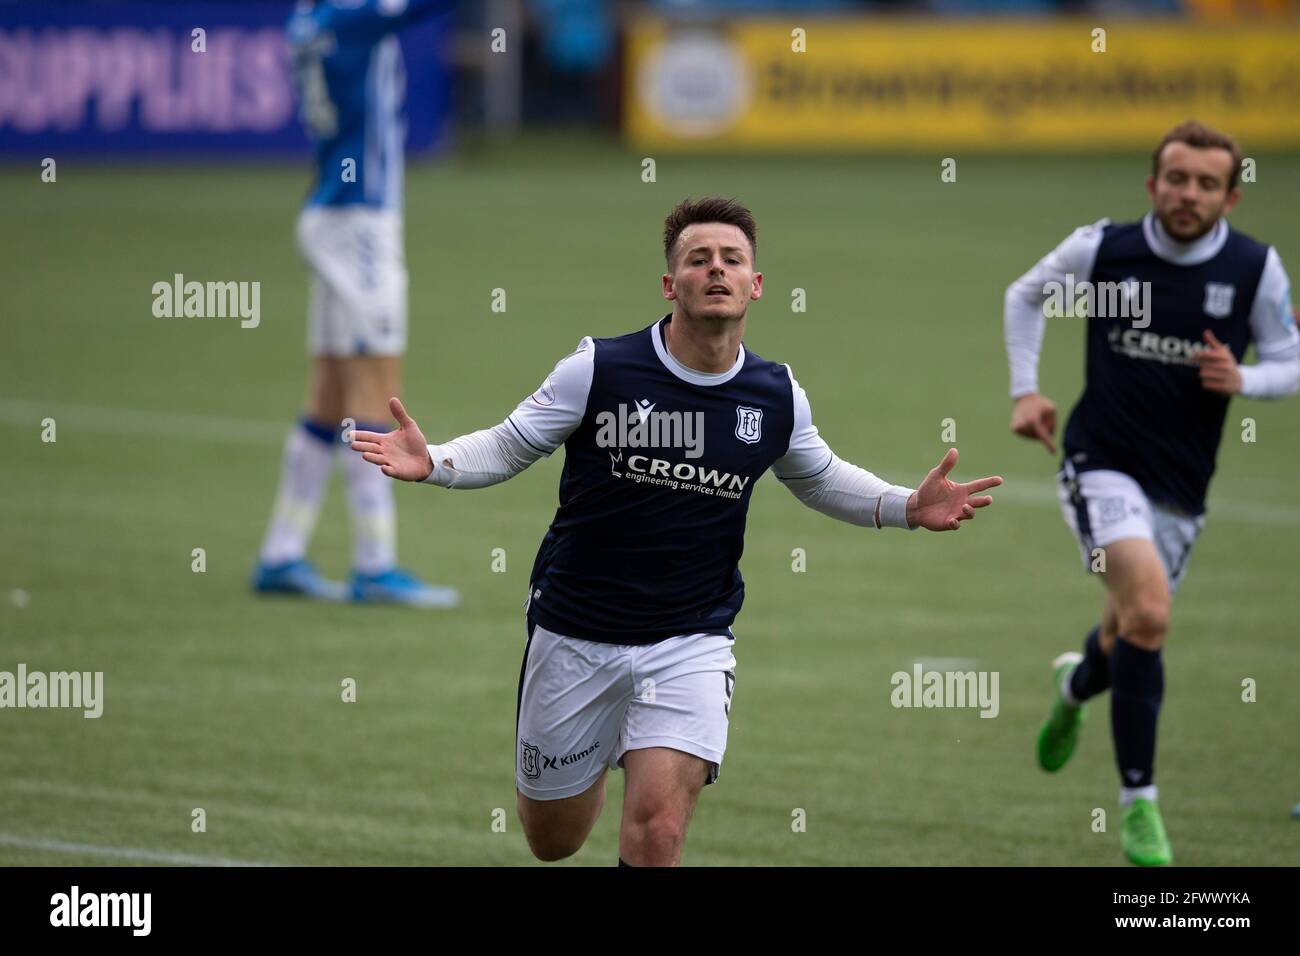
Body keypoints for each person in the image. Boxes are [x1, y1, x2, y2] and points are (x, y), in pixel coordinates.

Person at [350, 196, 1003, 865]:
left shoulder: (776, 395)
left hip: (690, 638)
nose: (716, 269)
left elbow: (819, 476)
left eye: (732, 259)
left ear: (756, 284)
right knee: (553, 841)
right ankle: (599, 751)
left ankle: (640, 753)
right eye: (699, 259)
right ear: (671, 284)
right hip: (575, 630)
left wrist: (906, 506)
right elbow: (510, 443)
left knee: (658, 829)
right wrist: (436, 462)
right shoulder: (599, 370)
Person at [1004, 120, 1299, 865]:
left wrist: (1245, 378)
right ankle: (1140, 806)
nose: (1188, 194)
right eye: (1177, 179)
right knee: (1152, 613)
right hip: (1099, 462)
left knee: (1130, 629)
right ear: (1152, 184)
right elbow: (1026, 295)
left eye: (1207, 184)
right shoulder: (1106, 251)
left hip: (1181, 489)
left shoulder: (1253, 268)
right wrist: (1025, 390)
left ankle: (1075, 689)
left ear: (1230, 197)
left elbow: (1291, 360)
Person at [253, 0, 459, 607]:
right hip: (361, 222)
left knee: (330, 394)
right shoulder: (353, 16)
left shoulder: (309, 18)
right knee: (375, 387)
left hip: (329, 212)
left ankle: (281, 552)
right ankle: (374, 563)